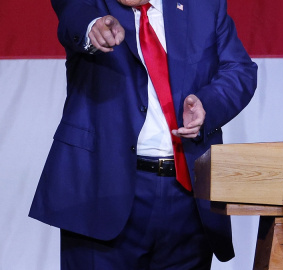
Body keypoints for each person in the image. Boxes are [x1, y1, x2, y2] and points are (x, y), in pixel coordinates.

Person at [29, 0, 257, 268]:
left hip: (187, 198)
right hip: (103, 194)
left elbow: (239, 70)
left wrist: (207, 104)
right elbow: (75, 17)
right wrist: (94, 28)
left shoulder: (204, 5)